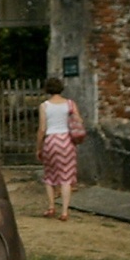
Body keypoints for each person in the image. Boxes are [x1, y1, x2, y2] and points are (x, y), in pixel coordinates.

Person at [35, 77, 80, 221]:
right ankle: (65, 211)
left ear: (47, 89)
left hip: (51, 141)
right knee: (66, 177)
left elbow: (42, 129)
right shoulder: (70, 104)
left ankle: (51, 206)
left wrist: (39, 148)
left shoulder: (45, 106)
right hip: (66, 141)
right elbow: (79, 121)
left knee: (49, 176)